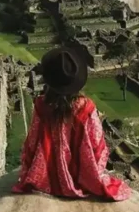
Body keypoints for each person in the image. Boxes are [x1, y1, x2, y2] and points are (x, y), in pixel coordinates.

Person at [13, 46, 132, 201]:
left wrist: (28, 169)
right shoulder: (86, 108)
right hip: (81, 180)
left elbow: (32, 143)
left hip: (45, 179)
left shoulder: (41, 105)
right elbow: (98, 146)